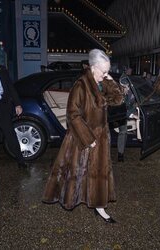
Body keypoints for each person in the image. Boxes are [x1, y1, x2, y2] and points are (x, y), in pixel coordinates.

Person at [42, 49, 124, 223]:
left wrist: (111, 81)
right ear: (93, 68)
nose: (106, 74)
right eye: (104, 71)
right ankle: (70, 199)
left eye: (107, 71)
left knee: (98, 172)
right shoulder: (81, 85)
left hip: (101, 137)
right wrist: (88, 139)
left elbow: (118, 100)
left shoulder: (102, 83)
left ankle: (99, 205)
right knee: (77, 173)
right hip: (83, 138)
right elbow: (73, 114)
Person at [0, 45, 27, 167]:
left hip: (2, 105)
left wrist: (17, 104)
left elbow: (10, 87)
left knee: (10, 133)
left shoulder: (2, 69)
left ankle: (21, 161)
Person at [117, 68, 138, 162]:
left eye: (128, 86)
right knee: (123, 131)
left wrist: (136, 108)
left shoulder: (131, 90)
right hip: (119, 114)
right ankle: (120, 154)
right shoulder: (119, 95)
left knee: (125, 132)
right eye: (125, 87)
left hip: (128, 111)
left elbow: (132, 102)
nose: (127, 89)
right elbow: (122, 108)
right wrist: (132, 115)